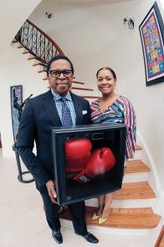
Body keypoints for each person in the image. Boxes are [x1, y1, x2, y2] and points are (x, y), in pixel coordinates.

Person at [16, 55, 99, 244]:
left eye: (66, 72)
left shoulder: (83, 104)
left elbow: (88, 137)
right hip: (48, 173)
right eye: (56, 72)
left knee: (78, 201)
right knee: (50, 205)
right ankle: (55, 229)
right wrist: (44, 179)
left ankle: (81, 230)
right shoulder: (33, 105)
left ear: (72, 76)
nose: (61, 76)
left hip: (77, 170)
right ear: (48, 76)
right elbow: (23, 146)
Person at [90, 67, 136, 224]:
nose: (104, 82)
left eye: (108, 78)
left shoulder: (124, 103)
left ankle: (106, 208)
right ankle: (99, 205)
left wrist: (127, 156)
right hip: (97, 152)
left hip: (117, 151)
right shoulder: (93, 105)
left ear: (115, 82)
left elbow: (131, 128)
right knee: (99, 180)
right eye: (100, 79)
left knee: (111, 181)